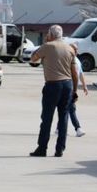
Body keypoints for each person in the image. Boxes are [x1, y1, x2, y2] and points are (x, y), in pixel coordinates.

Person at [29, 24, 78, 157]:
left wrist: (45, 43)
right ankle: (60, 149)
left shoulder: (47, 46)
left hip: (52, 85)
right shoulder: (70, 49)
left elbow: (33, 59)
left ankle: (42, 148)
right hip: (67, 85)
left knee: (47, 118)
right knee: (63, 118)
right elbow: (74, 72)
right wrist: (74, 90)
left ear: (50, 35)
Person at [57, 43, 88, 137]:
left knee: (65, 108)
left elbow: (80, 74)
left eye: (77, 49)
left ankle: (59, 128)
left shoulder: (77, 60)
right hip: (67, 87)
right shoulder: (67, 59)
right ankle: (78, 128)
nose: (76, 51)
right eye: (74, 49)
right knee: (71, 108)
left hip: (73, 88)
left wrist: (84, 86)